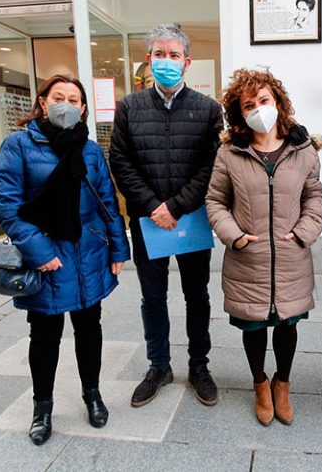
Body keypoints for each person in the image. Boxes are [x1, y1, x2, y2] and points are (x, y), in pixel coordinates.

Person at [0, 74, 130, 446]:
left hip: (87, 254)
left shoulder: (89, 150)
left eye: (73, 99)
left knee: (89, 328)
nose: (65, 104)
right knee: (45, 335)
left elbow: (107, 202)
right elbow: (7, 205)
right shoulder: (18, 145)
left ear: (83, 108)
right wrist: (40, 252)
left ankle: (92, 394)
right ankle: (43, 407)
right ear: (42, 102)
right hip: (47, 256)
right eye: (58, 97)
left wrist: (118, 248)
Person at [109, 24, 223, 408]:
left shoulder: (208, 110)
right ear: (149, 59)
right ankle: (158, 365)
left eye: (174, 55)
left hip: (190, 219)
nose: (167, 62)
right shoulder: (128, 107)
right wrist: (153, 206)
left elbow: (212, 164)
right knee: (152, 297)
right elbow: (120, 161)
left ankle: (200, 366)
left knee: (197, 296)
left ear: (187, 62)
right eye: (160, 54)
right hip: (146, 222)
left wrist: (175, 206)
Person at [205, 69, 322, 426]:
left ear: (278, 102)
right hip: (248, 260)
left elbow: (314, 195)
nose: (258, 109)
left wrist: (304, 232)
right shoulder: (230, 153)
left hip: (291, 258)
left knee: (288, 325)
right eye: (249, 104)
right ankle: (260, 384)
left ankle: (282, 384)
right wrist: (235, 236)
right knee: (253, 328)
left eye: (264, 100)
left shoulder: (303, 150)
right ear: (240, 112)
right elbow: (214, 201)